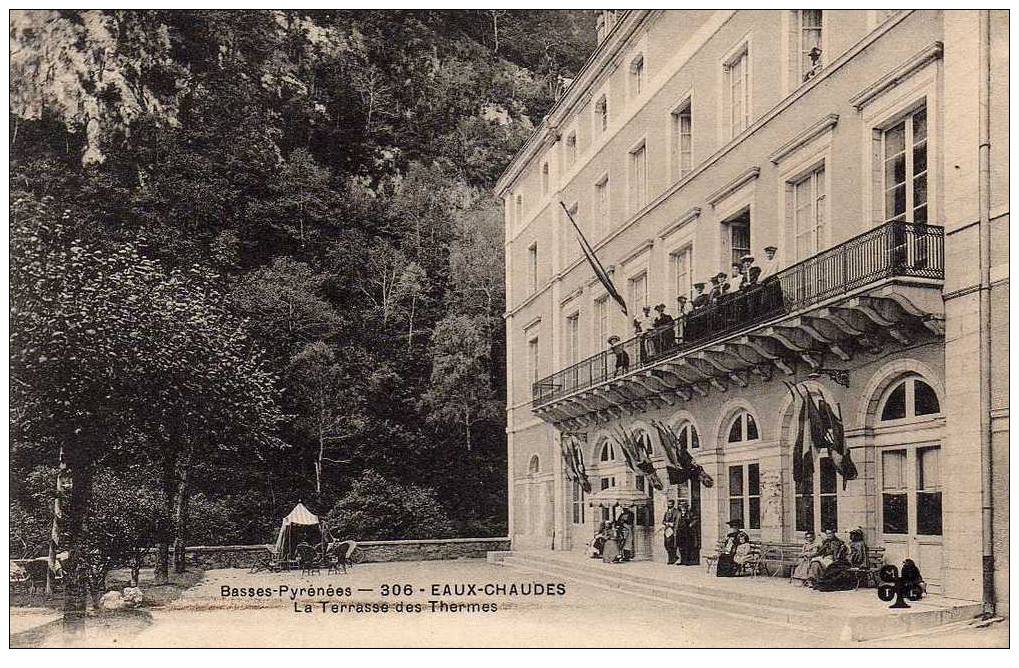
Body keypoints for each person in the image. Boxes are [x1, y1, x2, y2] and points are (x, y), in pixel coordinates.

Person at [675, 500, 700, 565]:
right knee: (681, 547)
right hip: (680, 532)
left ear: (686, 507)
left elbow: (696, 519)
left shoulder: (690, 513)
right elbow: (677, 523)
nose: (682, 507)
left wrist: (691, 524)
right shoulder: (679, 514)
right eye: (681, 506)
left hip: (688, 533)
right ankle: (682, 561)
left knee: (688, 547)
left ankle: (687, 561)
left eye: (684, 506)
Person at [662, 500, 679, 565]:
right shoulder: (666, 512)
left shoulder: (676, 512)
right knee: (666, 545)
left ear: (673, 504)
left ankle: (671, 559)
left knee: (671, 545)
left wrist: (672, 524)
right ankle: (674, 557)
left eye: (670, 504)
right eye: (668, 504)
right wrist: (665, 523)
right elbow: (663, 521)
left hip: (673, 530)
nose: (669, 505)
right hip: (667, 530)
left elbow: (677, 521)